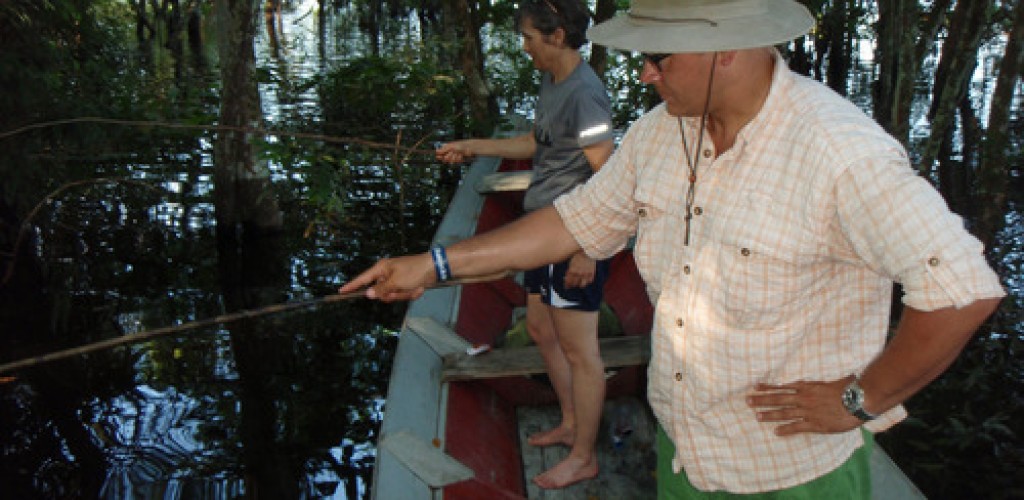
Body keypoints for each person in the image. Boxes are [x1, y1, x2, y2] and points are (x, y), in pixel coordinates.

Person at [342, 0, 1006, 497]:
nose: (648, 75)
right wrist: (435, 266)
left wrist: (860, 399)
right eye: (643, 58)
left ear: (731, 50)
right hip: (686, 455)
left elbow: (961, 290)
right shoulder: (665, 132)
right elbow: (575, 221)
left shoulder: (839, 153)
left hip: (792, 477)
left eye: (662, 58)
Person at [434, 0, 615, 490]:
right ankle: (573, 422)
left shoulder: (586, 95)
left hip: (572, 237)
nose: (525, 47)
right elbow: (538, 145)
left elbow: (611, 178)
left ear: (557, 36)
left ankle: (584, 456)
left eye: (530, 37)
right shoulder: (552, 82)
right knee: (540, 328)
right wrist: (475, 146)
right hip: (543, 228)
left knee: (582, 352)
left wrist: (589, 249)